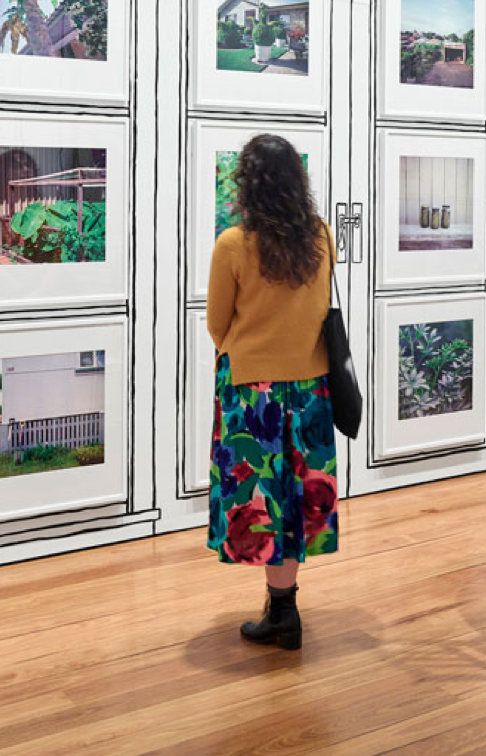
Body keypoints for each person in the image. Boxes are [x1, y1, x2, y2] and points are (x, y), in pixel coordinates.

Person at [206, 134, 338, 651]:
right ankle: (284, 608)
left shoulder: (233, 244)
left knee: (264, 501)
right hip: (311, 390)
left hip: (251, 393)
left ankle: (282, 613)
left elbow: (219, 324)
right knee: (298, 496)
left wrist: (253, 351)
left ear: (248, 182)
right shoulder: (320, 237)